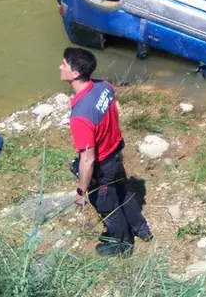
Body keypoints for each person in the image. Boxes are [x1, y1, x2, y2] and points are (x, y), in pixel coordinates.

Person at [60, 47, 152, 257]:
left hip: (102, 163)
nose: (60, 66)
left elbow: (88, 159)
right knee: (122, 191)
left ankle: (122, 245)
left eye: (64, 64)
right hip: (116, 150)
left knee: (106, 205)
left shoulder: (81, 116)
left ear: (75, 74)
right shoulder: (103, 86)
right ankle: (141, 229)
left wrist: (82, 190)